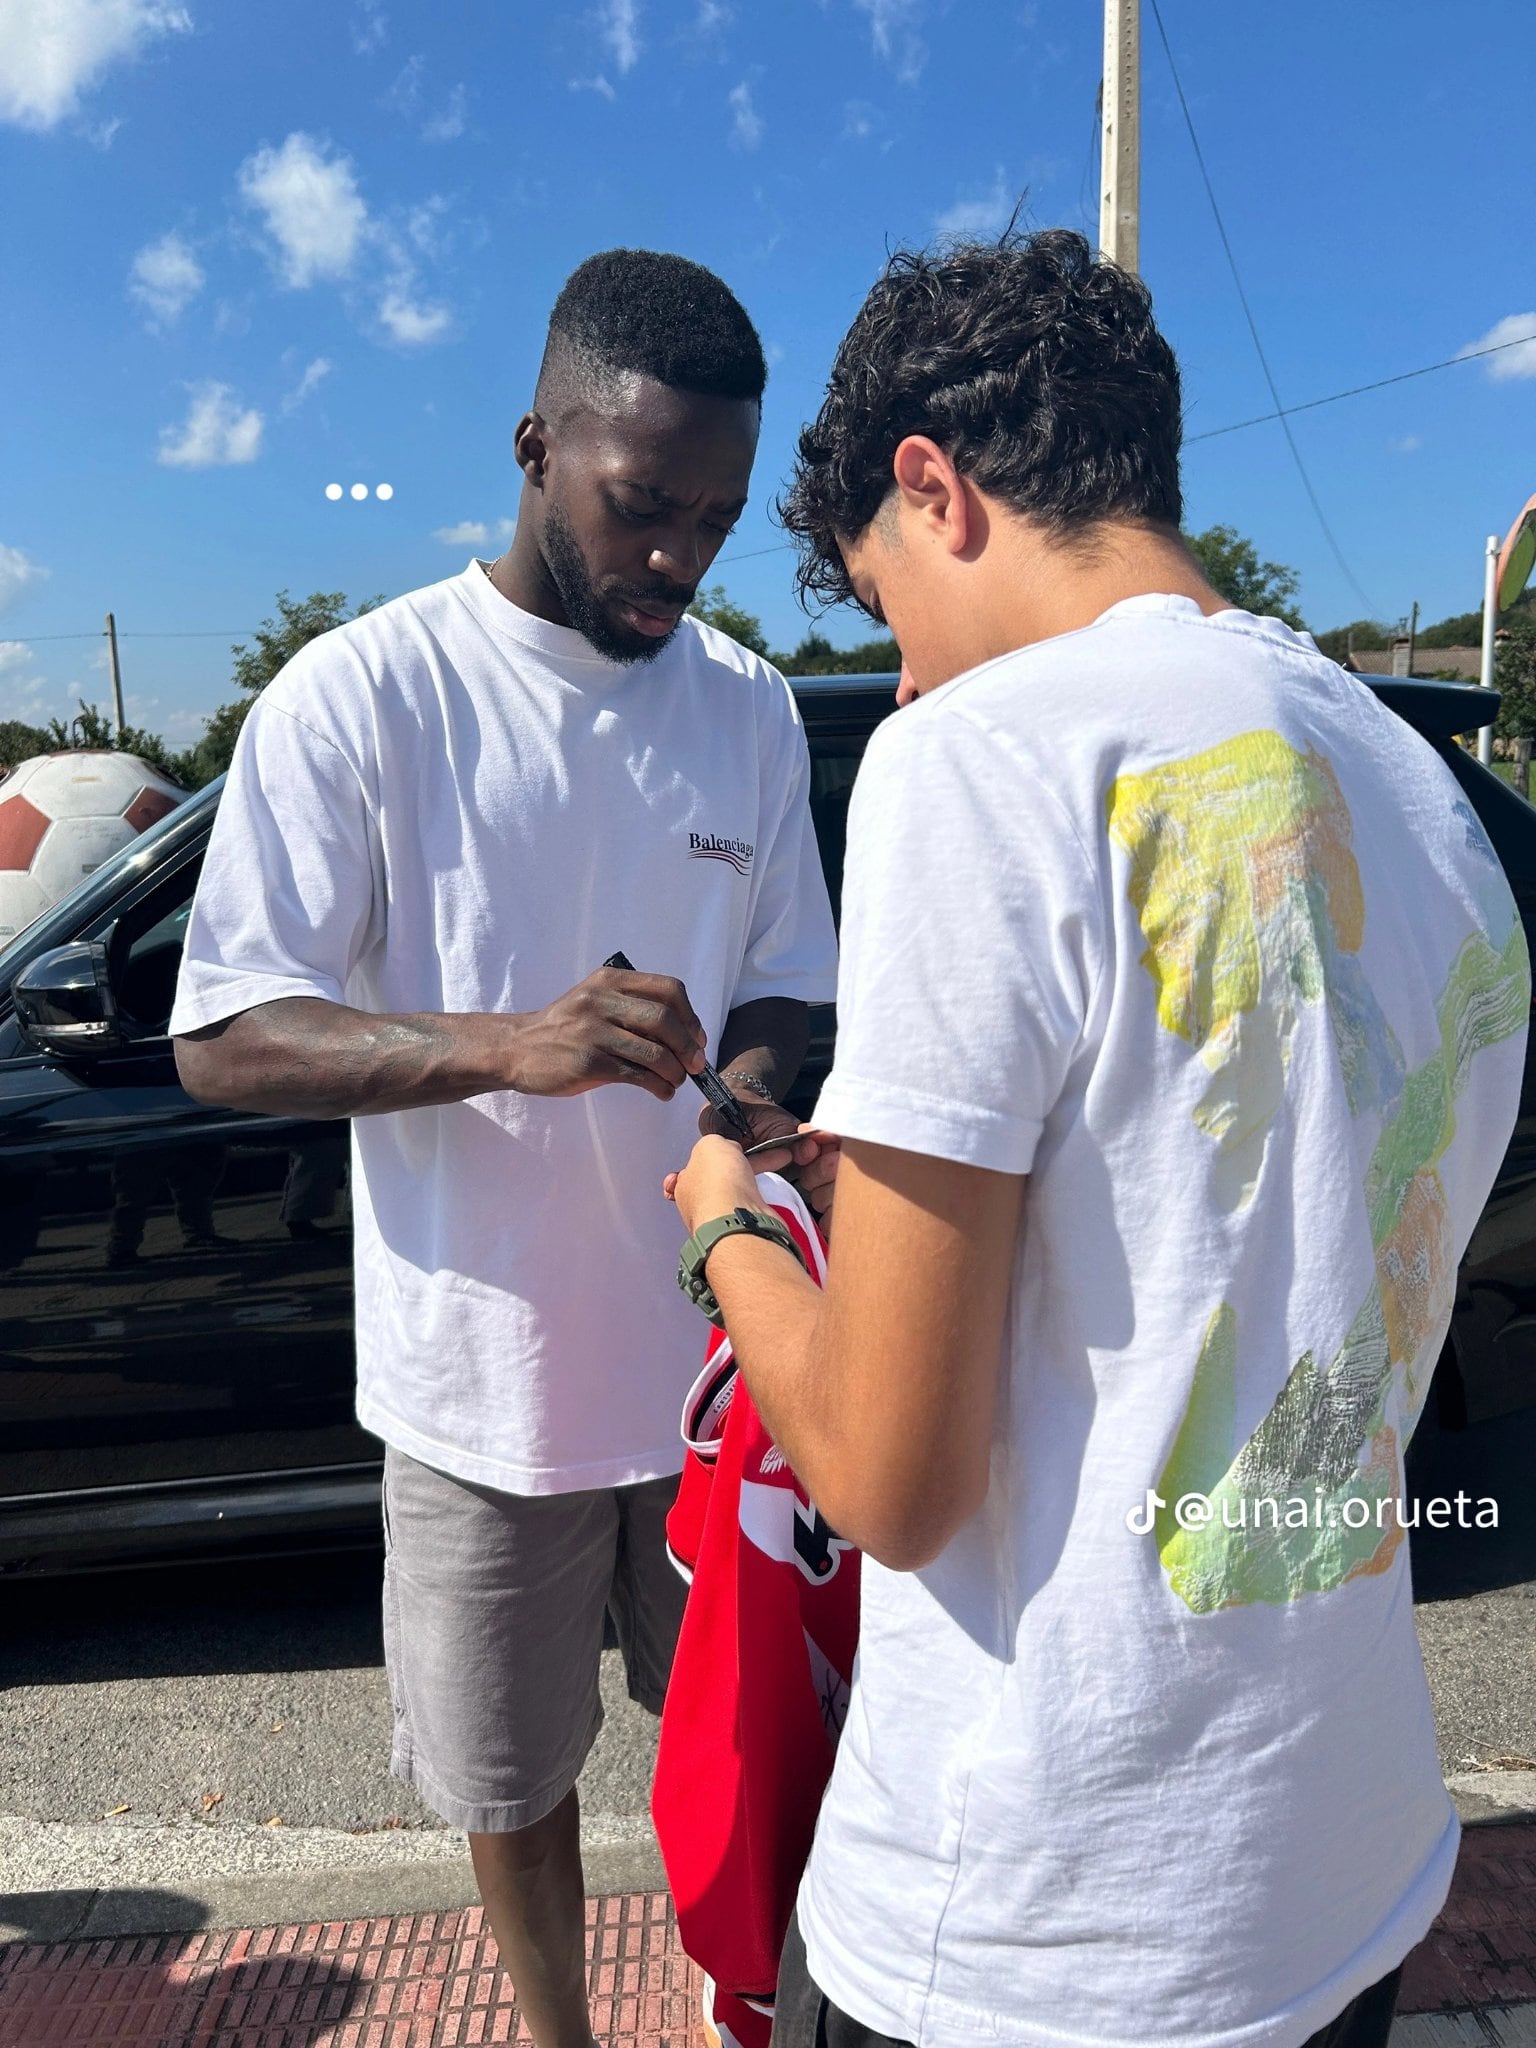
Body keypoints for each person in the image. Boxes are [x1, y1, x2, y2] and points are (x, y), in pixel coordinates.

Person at [664, 227, 1529, 2048]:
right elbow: (1234, 1202)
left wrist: (724, 1225)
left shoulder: (980, 760)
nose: (900, 677)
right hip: (1335, 1866)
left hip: (1046, 1917)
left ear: (935, 486)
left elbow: (891, 1483)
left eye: (884, 603)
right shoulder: (1424, 797)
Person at [169, 247, 839, 2048]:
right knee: (510, 1788)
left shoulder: (753, 707)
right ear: (537, 442)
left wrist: (771, 1121)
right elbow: (225, 1033)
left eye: (715, 516)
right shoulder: (363, 695)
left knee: (777, 1760)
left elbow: (784, 988)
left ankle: (746, 2008)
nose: (681, 557)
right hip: (485, 1390)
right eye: (642, 505)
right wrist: (508, 1046)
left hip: (724, 1362)